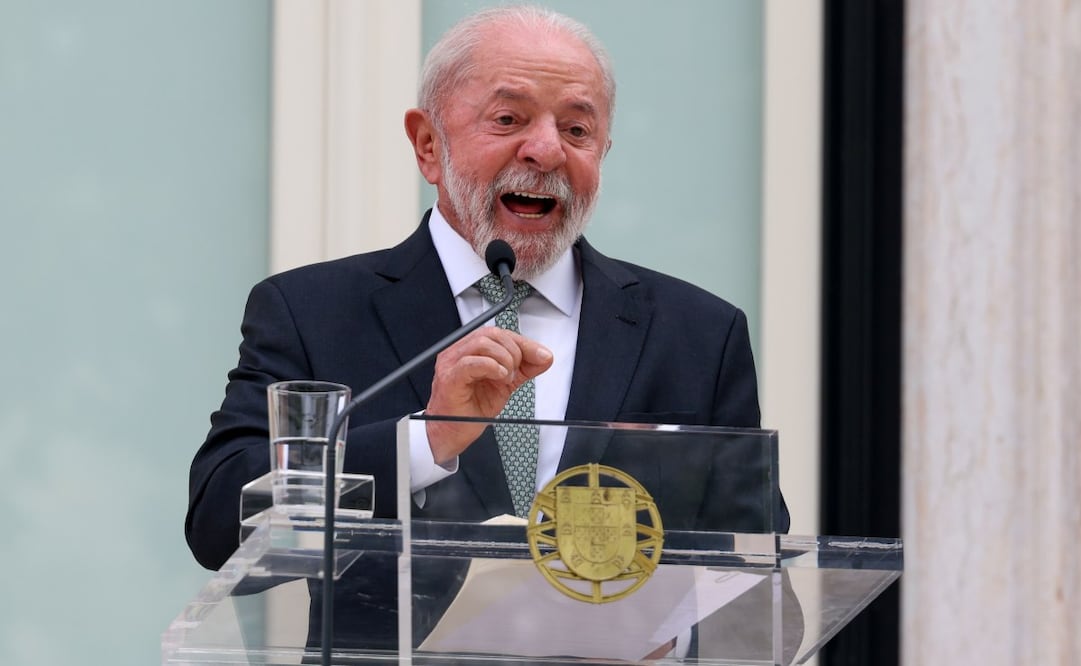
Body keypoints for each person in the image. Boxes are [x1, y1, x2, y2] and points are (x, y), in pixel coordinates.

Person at [186, 3, 790, 657]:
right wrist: (426, 441)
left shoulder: (696, 335)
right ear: (428, 144)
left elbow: (762, 596)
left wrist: (672, 640)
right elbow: (220, 523)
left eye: (577, 129)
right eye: (508, 119)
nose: (546, 150)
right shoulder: (312, 311)